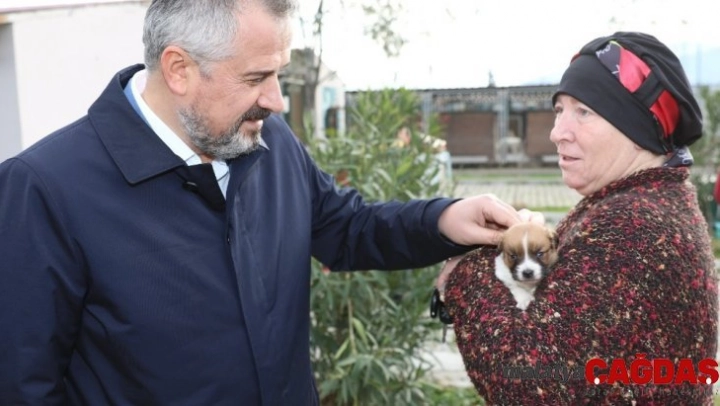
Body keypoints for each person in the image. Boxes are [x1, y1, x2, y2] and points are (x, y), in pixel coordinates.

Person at [0, 1, 533, 404]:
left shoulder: (266, 139)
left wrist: (442, 219)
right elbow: (24, 383)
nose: (276, 100)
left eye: (278, 73)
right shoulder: (43, 189)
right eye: (256, 77)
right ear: (179, 69)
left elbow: (345, 228)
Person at [442, 31, 718, 404]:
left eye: (583, 112)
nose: (557, 133)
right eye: (559, 110)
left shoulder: (633, 224)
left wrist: (466, 270)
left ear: (635, 126)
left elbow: (527, 382)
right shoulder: (645, 202)